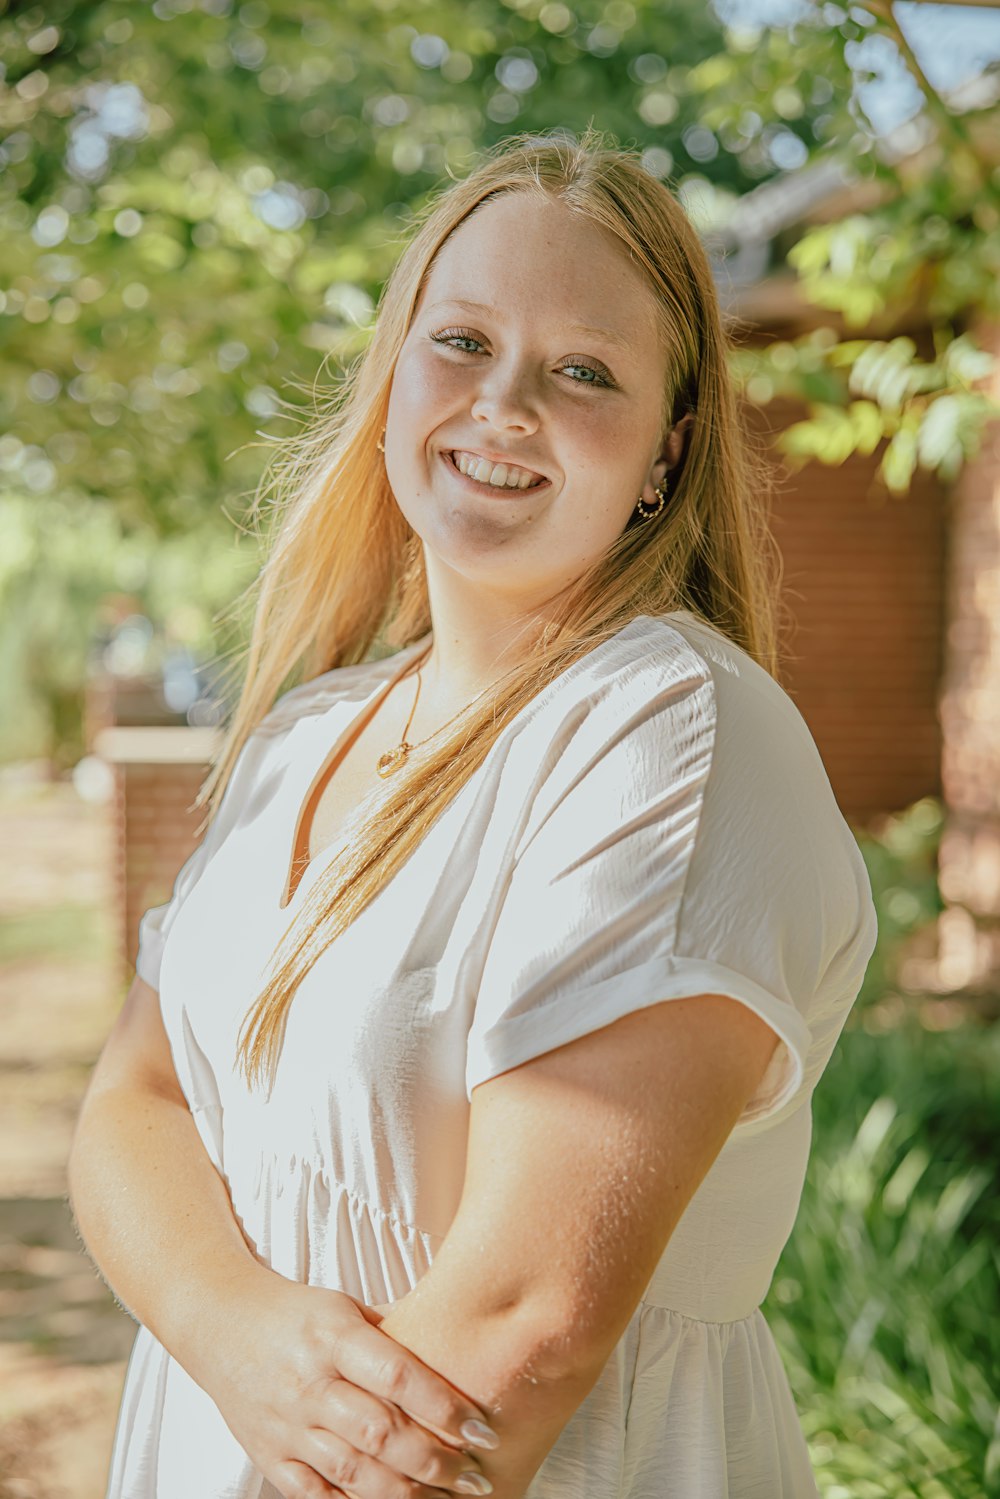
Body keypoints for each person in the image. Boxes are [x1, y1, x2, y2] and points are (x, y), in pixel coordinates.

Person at [69, 127, 878, 1499]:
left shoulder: (675, 730)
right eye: (461, 341)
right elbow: (132, 1101)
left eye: (584, 371)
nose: (505, 405)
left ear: (668, 453)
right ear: (390, 376)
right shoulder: (309, 731)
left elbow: (521, 1335)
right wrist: (228, 1329)